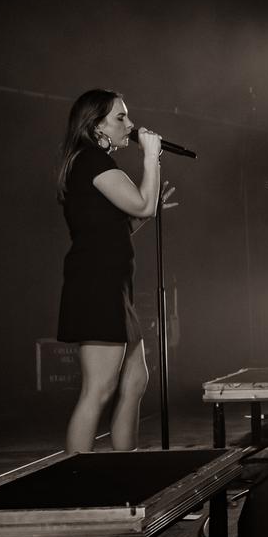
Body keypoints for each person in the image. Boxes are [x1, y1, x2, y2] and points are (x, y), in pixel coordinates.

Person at [56, 89, 175, 453]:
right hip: (96, 287)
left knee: (136, 380)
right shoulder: (92, 161)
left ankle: (126, 472)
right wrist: (151, 157)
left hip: (112, 285)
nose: (131, 125)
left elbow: (113, 228)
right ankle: (76, 485)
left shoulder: (93, 163)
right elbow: (142, 205)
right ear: (96, 126)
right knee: (99, 389)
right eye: (121, 118)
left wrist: (145, 209)